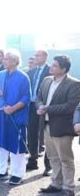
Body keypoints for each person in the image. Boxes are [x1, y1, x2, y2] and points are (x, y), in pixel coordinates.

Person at [36, 55, 80, 196]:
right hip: (46, 124)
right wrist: (40, 106)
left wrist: (47, 108)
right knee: (52, 157)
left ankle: (68, 188)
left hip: (62, 127)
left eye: (55, 65)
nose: (51, 67)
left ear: (64, 69)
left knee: (65, 159)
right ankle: (56, 184)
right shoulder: (46, 80)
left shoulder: (74, 84)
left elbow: (70, 107)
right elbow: (38, 97)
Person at [0, 50, 30, 185]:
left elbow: (26, 97)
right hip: (1, 114)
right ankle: (1, 170)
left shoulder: (23, 77)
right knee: (1, 143)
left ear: (15, 61)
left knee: (16, 144)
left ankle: (17, 173)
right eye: (4, 59)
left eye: (7, 59)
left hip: (16, 116)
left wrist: (13, 108)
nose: (4, 61)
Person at [26, 50, 51, 173]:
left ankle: (48, 165)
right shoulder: (31, 71)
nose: (35, 57)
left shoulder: (51, 71)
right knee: (31, 133)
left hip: (45, 107)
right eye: (35, 55)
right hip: (31, 106)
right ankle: (32, 160)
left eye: (38, 55)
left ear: (45, 57)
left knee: (47, 135)